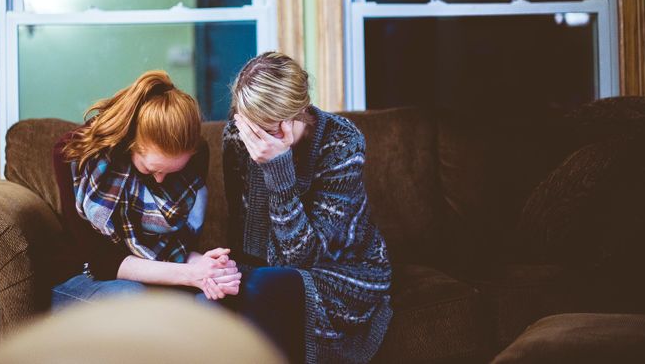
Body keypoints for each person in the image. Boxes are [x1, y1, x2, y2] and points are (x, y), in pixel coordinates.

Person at [222, 52, 393, 364]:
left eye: (267, 130)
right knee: (219, 290)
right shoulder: (237, 136)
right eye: (250, 127)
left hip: (345, 271)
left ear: (297, 114)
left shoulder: (342, 142)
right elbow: (243, 231)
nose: (255, 140)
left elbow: (301, 258)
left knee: (266, 287)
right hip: (269, 268)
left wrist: (279, 169)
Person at [52, 71, 240, 309]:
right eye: (151, 170)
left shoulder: (196, 157)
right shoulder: (74, 155)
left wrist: (209, 267)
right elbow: (102, 262)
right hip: (84, 276)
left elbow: (180, 248)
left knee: (213, 303)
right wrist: (191, 275)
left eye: (171, 172)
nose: (161, 181)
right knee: (134, 299)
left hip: (156, 275)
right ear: (130, 144)